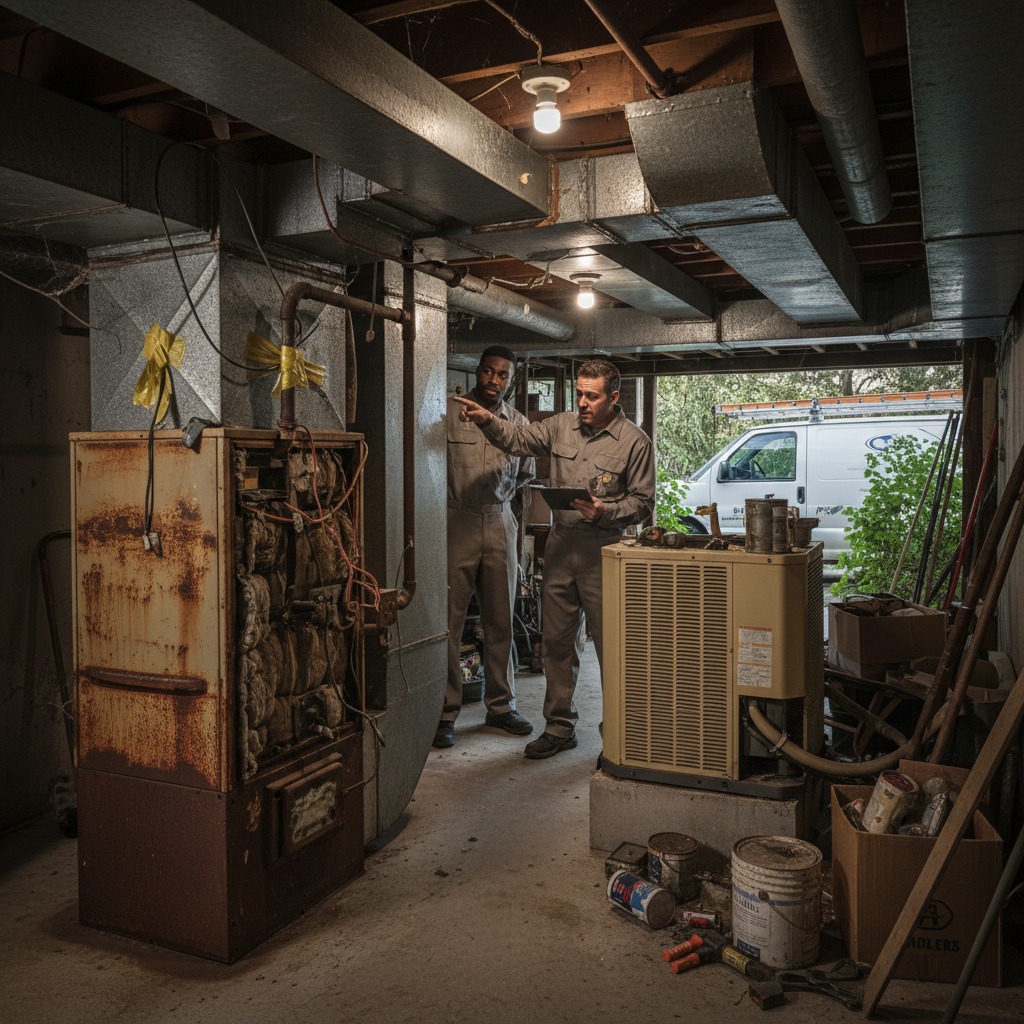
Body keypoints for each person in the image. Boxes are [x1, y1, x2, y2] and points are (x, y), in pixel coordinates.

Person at [454, 358, 655, 759]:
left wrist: (606, 512)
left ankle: (616, 739)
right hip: (562, 548)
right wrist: (485, 421)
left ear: (613, 398)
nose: (582, 402)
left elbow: (644, 502)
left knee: (611, 651)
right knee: (557, 647)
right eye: (579, 393)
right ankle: (560, 727)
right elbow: (518, 439)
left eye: (591, 396)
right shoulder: (561, 425)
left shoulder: (635, 442)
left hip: (604, 551)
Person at [435, 345, 536, 749]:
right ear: (477, 372)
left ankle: (501, 706)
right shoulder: (448, 413)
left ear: (510, 381)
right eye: (489, 372)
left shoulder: (519, 423)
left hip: (499, 519)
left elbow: (526, 472)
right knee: (448, 622)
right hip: (455, 517)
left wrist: (501, 508)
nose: (494, 381)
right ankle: (443, 712)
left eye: (502, 375)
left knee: (500, 619)